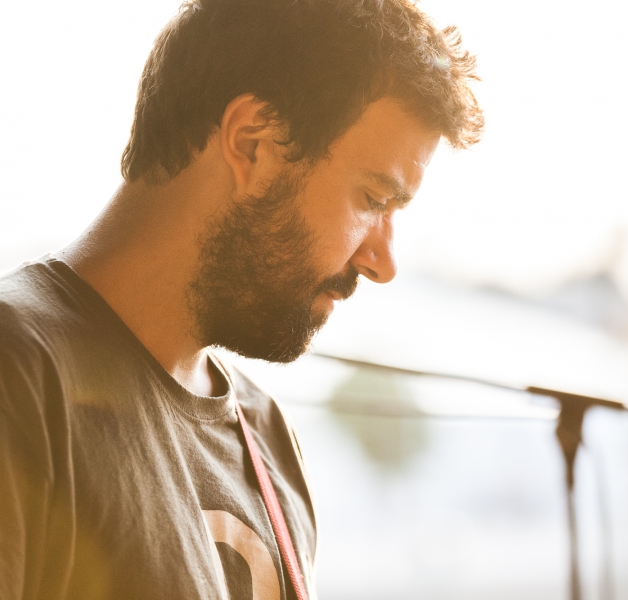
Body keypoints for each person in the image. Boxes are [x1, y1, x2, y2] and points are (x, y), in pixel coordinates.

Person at [0, 0, 482, 598]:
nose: (382, 264)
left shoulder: (266, 434)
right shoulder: (18, 375)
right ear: (252, 142)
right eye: (372, 200)